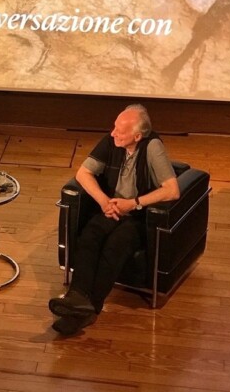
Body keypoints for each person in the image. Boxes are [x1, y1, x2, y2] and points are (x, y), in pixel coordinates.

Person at [49, 104, 180, 336]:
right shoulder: (112, 141)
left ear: (137, 136)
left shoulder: (152, 147)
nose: (113, 133)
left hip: (138, 215)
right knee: (90, 236)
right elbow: (83, 173)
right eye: (114, 128)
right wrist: (103, 201)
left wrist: (135, 202)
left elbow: (172, 190)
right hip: (111, 207)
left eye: (120, 130)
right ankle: (76, 299)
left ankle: (88, 309)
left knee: (115, 246)